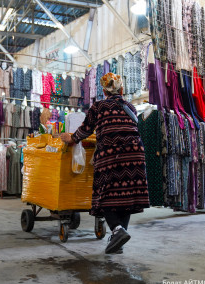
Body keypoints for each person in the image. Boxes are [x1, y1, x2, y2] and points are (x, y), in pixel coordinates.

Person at [60, 73, 150, 254]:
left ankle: (117, 230)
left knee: (105, 194)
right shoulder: (130, 106)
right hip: (135, 154)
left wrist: (72, 138)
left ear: (103, 90)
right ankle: (119, 241)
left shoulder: (99, 106)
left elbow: (85, 130)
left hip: (112, 153)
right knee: (126, 197)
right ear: (121, 89)